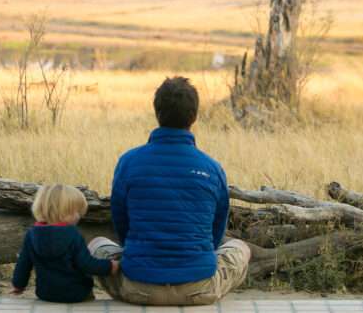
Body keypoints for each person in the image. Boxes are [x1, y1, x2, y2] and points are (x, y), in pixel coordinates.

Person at [89, 76, 251, 305]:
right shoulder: (212, 168)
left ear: (157, 112)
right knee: (239, 247)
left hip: (138, 286)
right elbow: (216, 231)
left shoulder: (128, 161)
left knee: (96, 245)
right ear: (194, 116)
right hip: (199, 286)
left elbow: (121, 224)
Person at [11, 183, 120, 303]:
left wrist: (18, 285)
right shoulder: (72, 234)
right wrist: (110, 266)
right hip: (77, 294)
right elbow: (86, 264)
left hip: (45, 294)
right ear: (66, 212)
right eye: (77, 212)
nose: (79, 216)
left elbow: (23, 264)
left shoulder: (32, 235)